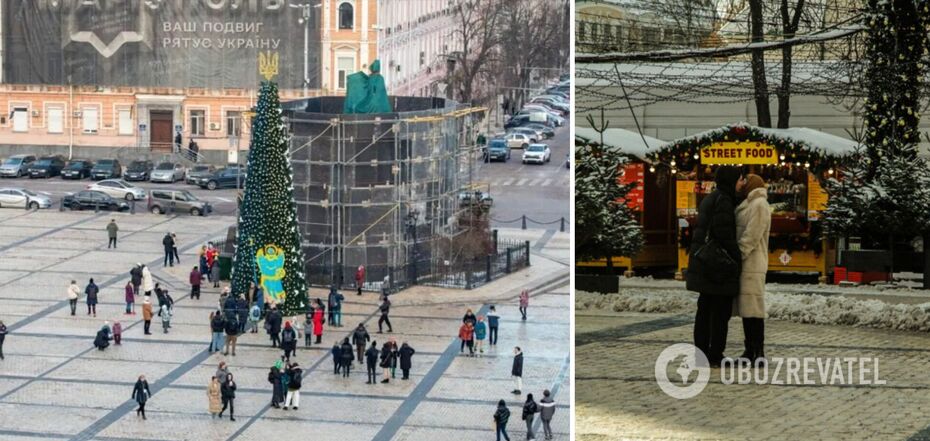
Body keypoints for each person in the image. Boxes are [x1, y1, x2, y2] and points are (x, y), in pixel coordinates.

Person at [686, 166, 741, 368]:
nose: (741, 183)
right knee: (719, 312)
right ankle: (715, 354)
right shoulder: (724, 200)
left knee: (705, 310)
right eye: (739, 179)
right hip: (717, 266)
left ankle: (701, 354)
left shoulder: (712, 197)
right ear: (730, 180)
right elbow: (724, 234)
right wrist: (737, 257)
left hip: (705, 262)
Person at [734, 173, 772, 365]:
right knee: (748, 308)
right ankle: (750, 349)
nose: (741, 184)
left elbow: (753, 234)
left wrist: (738, 253)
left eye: (744, 181)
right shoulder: (750, 203)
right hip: (748, 264)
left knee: (754, 309)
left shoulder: (759, 204)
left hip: (752, 263)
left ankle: (757, 351)